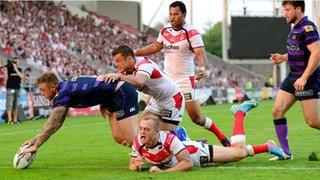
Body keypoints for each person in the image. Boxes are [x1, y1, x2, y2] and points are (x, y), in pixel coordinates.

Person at [134, 1, 230, 147]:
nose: (172, 18)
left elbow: (200, 54)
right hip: (166, 81)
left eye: (176, 14)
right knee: (147, 120)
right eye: (170, 14)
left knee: (197, 118)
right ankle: (155, 149)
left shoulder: (192, 32)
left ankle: (221, 136)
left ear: (183, 14)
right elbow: (155, 46)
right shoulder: (165, 30)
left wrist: (203, 68)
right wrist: (135, 52)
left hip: (184, 81)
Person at [129, 100, 285, 172]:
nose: (142, 132)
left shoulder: (170, 139)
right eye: (141, 128)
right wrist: (136, 166)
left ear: (157, 132)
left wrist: (163, 173)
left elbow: (187, 164)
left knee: (238, 152)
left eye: (146, 129)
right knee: (232, 155)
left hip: (197, 153)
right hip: (190, 151)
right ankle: (267, 146)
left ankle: (239, 113)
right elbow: (132, 164)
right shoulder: (137, 142)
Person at [20, 72, 139, 156]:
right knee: (118, 137)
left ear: (52, 87)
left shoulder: (63, 93)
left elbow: (53, 124)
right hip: (111, 98)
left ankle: (147, 150)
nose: (41, 93)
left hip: (121, 92)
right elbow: (55, 123)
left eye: (42, 90)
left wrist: (36, 145)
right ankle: (143, 150)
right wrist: (34, 140)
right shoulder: (64, 88)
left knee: (130, 137)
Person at [269, 0, 320, 160]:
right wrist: (283, 57)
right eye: (284, 10)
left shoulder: (307, 27)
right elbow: (298, 50)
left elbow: (317, 52)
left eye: (287, 10)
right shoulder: (295, 29)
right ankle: (286, 153)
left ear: (298, 9)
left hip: (306, 79)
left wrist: (304, 77)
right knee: (277, 111)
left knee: (312, 121)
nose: (285, 13)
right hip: (293, 77)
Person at [99, 45, 184, 131]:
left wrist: (119, 77)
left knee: (165, 137)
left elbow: (140, 81)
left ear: (129, 59)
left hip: (172, 99)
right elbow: (117, 90)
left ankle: (182, 136)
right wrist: (105, 104)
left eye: (119, 60)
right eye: (115, 61)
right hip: (156, 100)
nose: (116, 64)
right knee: (141, 130)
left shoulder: (144, 64)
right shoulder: (123, 72)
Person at [5, 58, 25, 124]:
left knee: (16, 105)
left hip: (17, 88)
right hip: (10, 88)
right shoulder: (9, 68)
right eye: (15, 61)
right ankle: (10, 120)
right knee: (9, 104)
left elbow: (22, 77)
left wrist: (15, 68)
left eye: (17, 61)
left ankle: (15, 119)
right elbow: (6, 75)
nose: (16, 62)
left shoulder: (20, 69)